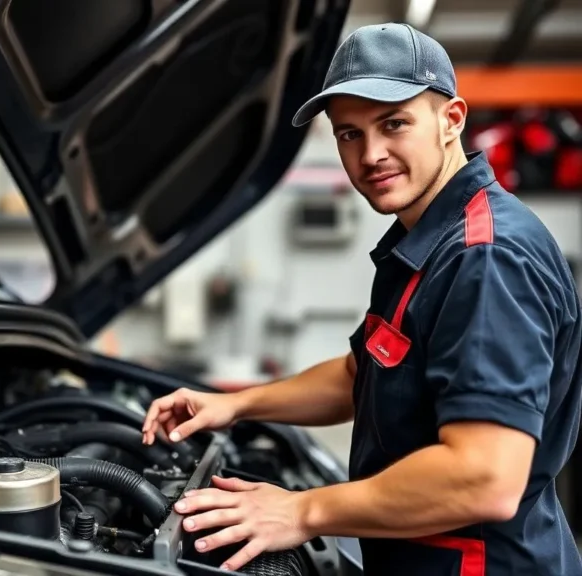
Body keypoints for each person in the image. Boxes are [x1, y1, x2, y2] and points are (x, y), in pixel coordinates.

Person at [141, 22, 582, 576]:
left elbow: (485, 478)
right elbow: (363, 373)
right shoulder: (427, 242)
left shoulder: (485, 258)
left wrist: (303, 511)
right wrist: (235, 404)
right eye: (349, 134)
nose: (371, 154)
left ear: (452, 121)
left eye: (393, 124)